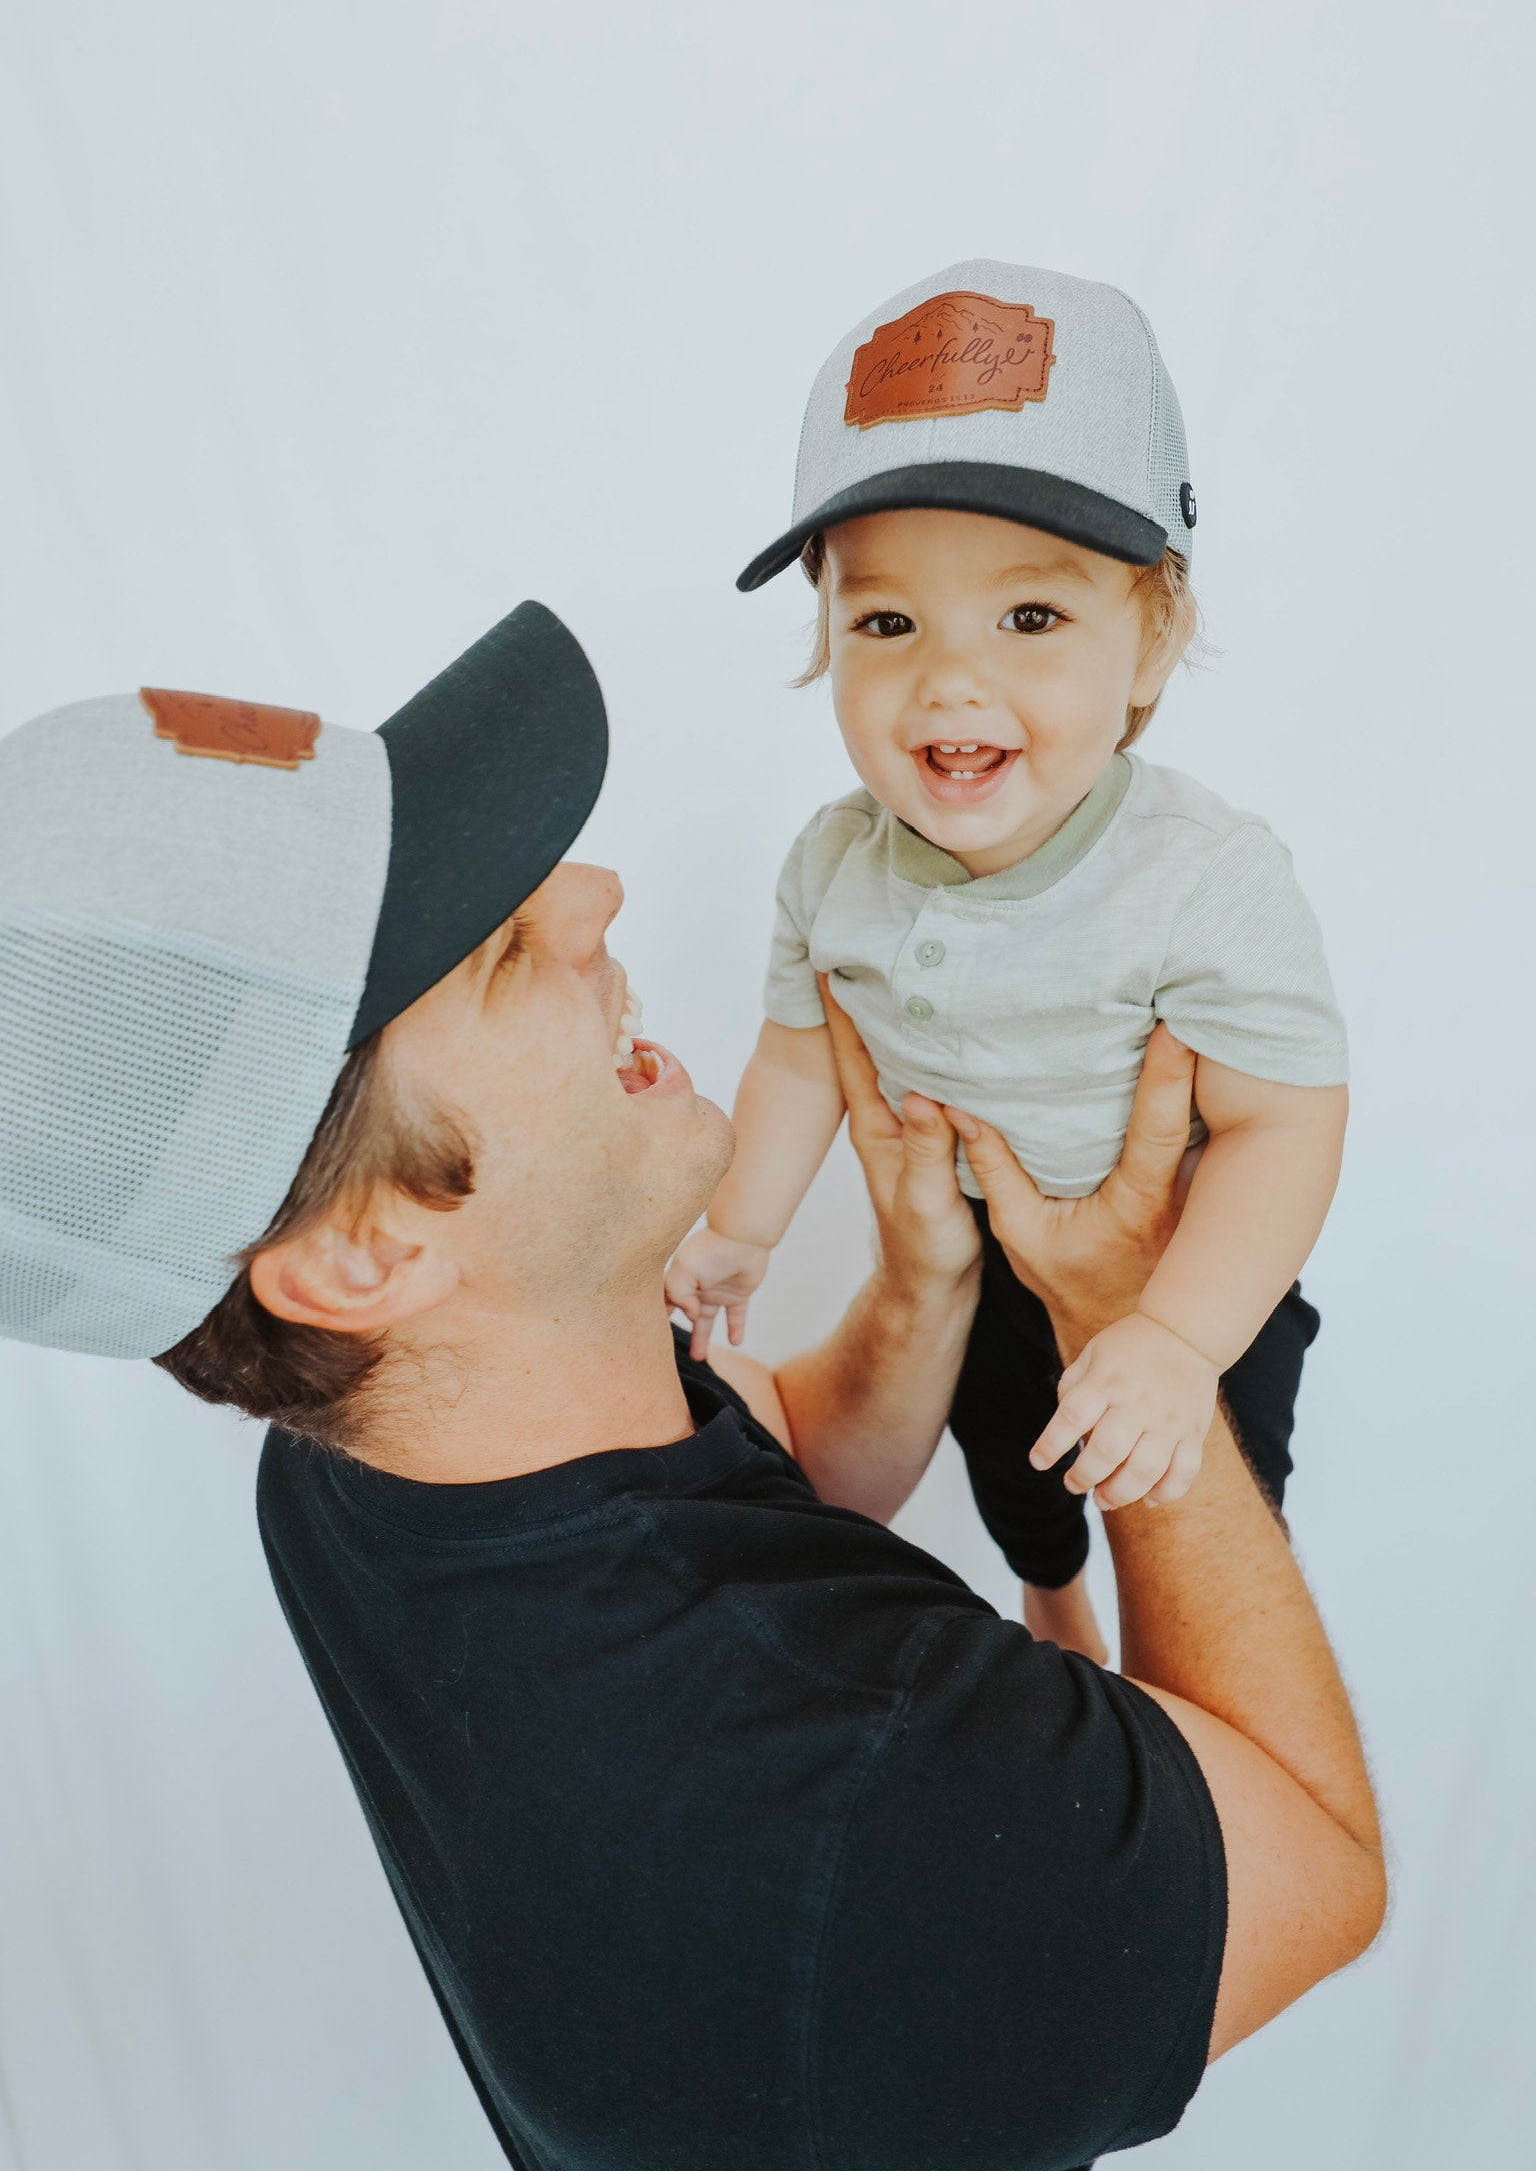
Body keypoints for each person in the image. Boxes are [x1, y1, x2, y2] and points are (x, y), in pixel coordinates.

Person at [0, 604, 1384, 2171]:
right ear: (367, 1255)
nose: (591, 895)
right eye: (502, 946)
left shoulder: (365, 1454)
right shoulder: (872, 1802)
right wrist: (1140, 1329)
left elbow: (764, 1478)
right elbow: (1317, 1864)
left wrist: (922, 1281)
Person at [667, 259, 1348, 1660]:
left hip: (1190, 1278)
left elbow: (1286, 1121)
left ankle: (1195, 1687)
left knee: (1205, 1493)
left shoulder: (1201, 877)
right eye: (886, 622)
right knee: (1012, 1463)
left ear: (1153, 640)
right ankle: (1052, 1591)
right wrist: (742, 1223)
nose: (949, 679)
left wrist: (1174, 1337)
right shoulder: (833, 865)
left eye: (1030, 619)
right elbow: (800, 1049)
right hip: (980, 1258)